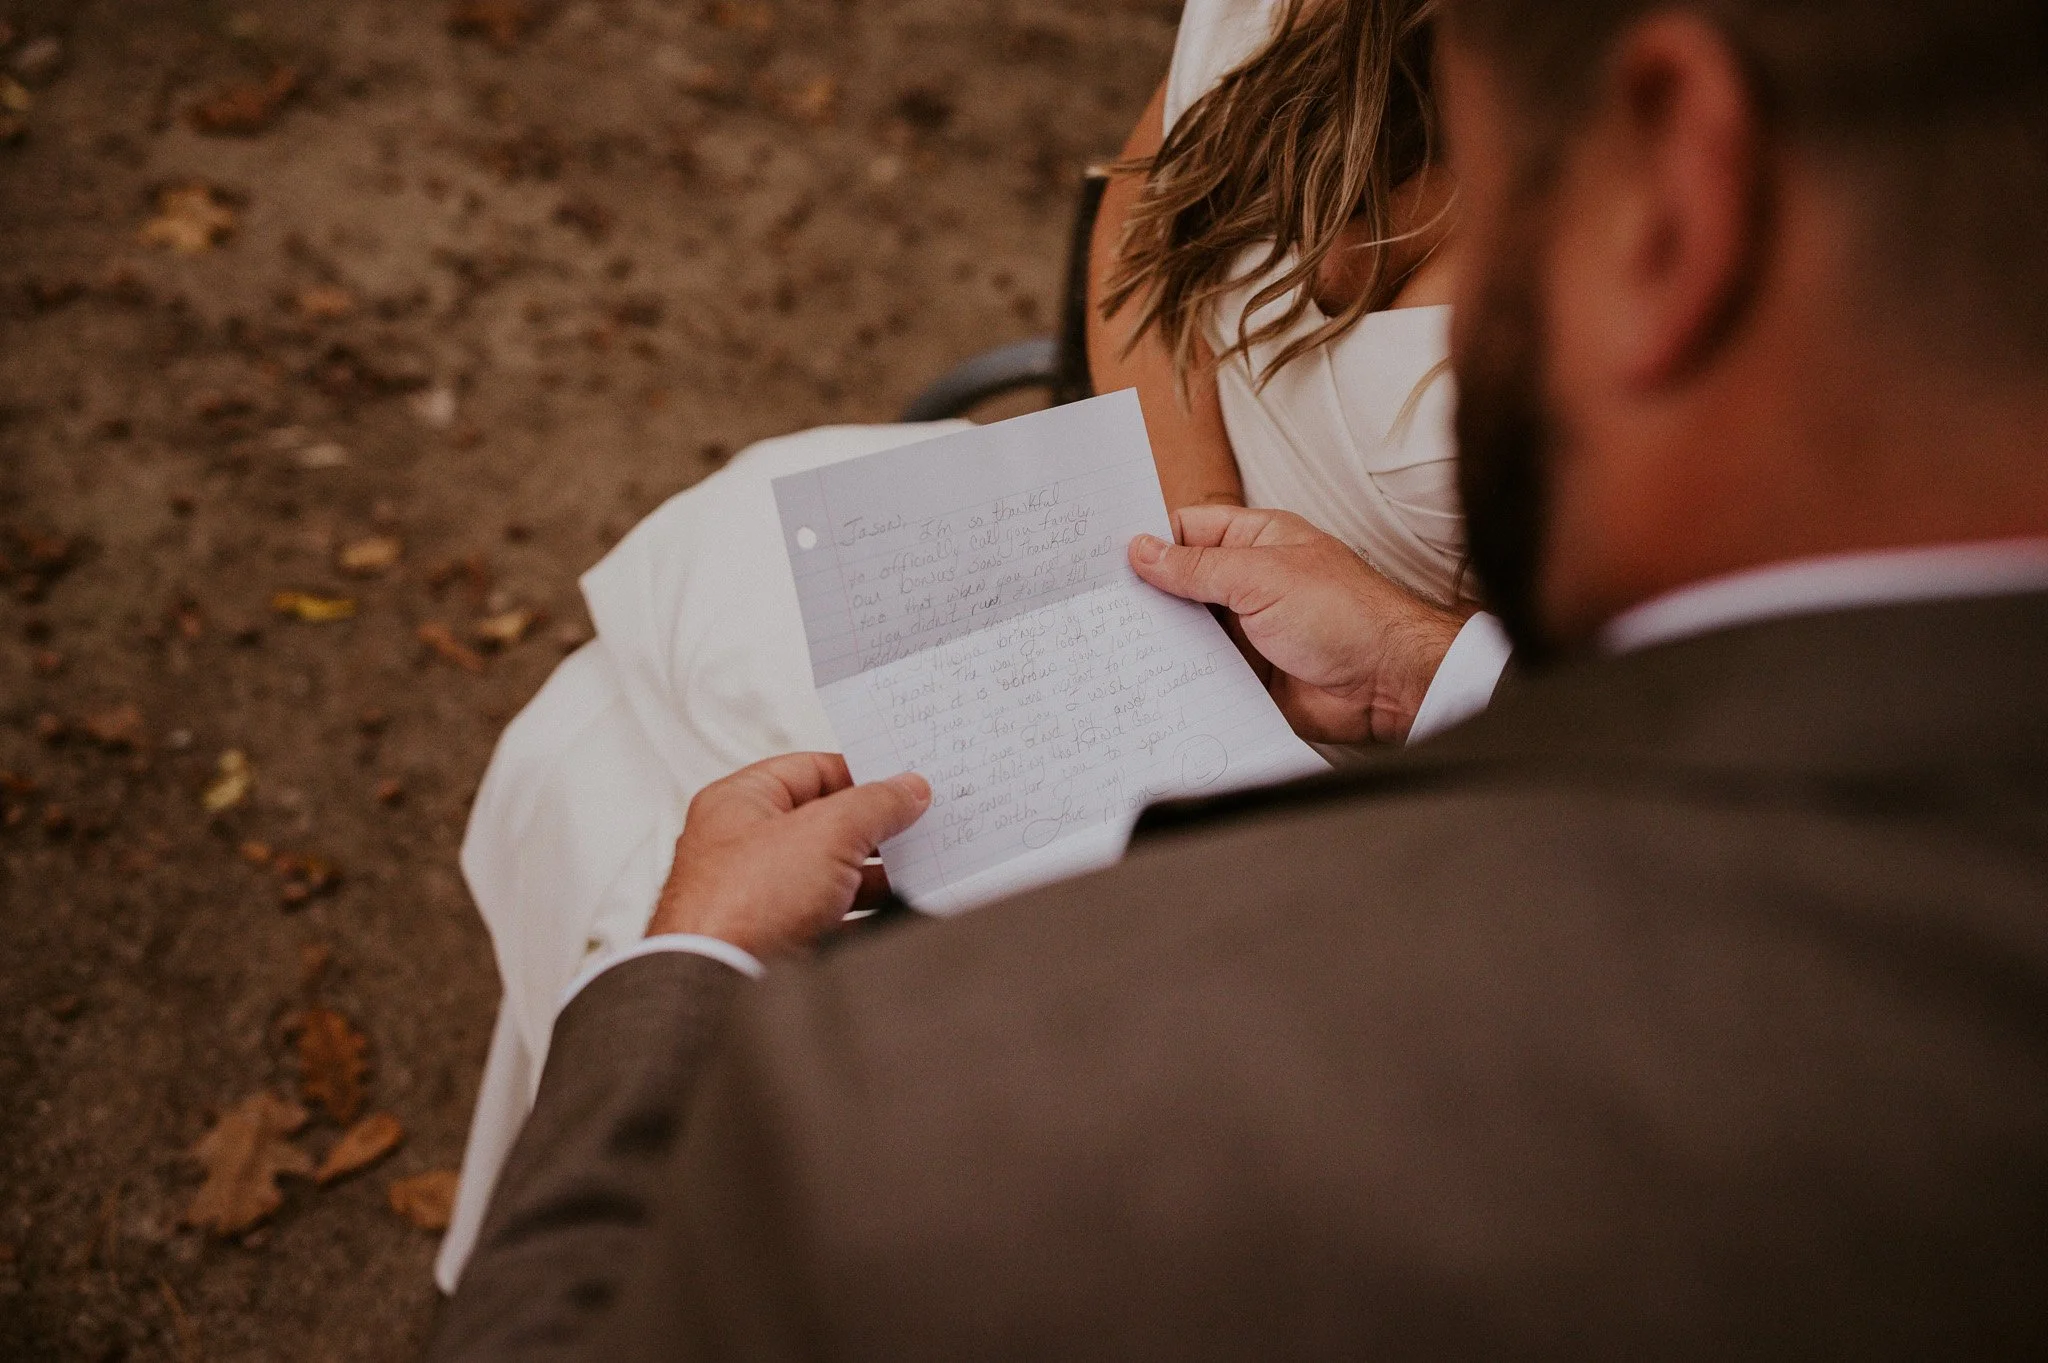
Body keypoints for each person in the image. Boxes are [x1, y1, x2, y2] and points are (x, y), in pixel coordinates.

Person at [430, 0, 2048, 1354]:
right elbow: (1146, 201)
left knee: (660, 847)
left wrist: (690, 974)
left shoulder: (914, 1122)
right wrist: (1428, 662)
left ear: (1676, 204)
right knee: (625, 701)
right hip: (1260, 641)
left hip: (1275, 850)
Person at [438, 0, 1494, 1286]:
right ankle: (579, 1239)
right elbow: (1143, 210)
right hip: (1144, 573)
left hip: (1406, 793)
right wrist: (1183, 551)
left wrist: (1417, 661)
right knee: (595, 747)